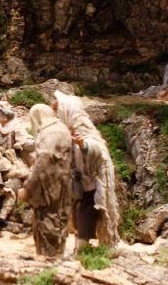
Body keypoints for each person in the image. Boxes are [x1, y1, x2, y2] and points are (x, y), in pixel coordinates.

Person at [52, 91, 120, 249]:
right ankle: (81, 246)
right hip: (78, 182)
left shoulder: (83, 128)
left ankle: (85, 248)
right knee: (77, 213)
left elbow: (98, 150)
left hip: (93, 183)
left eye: (58, 111)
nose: (57, 115)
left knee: (87, 213)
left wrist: (83, 146)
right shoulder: (66, 128)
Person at [18, 104, 72, 257]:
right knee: (60, 221)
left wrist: (28, 187)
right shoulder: (63, 128)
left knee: (46, 223)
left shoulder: (47, 133)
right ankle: (58, 259)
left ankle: (47, 264)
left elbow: (43, 161)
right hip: (64, 182)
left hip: (48, 188)